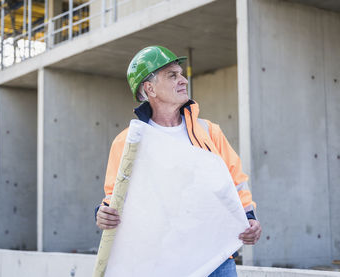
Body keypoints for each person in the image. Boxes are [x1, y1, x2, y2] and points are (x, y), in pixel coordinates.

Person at [95, 46, 262, 276]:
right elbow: (115, 197)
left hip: (215, 257)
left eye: (181, 73)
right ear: (150, 88)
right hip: (164, 261)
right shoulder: (128, 142)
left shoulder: (209, 131)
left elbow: (235, 182)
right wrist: (103, 212)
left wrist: (249, 217)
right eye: (172, 75)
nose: (183, 80)